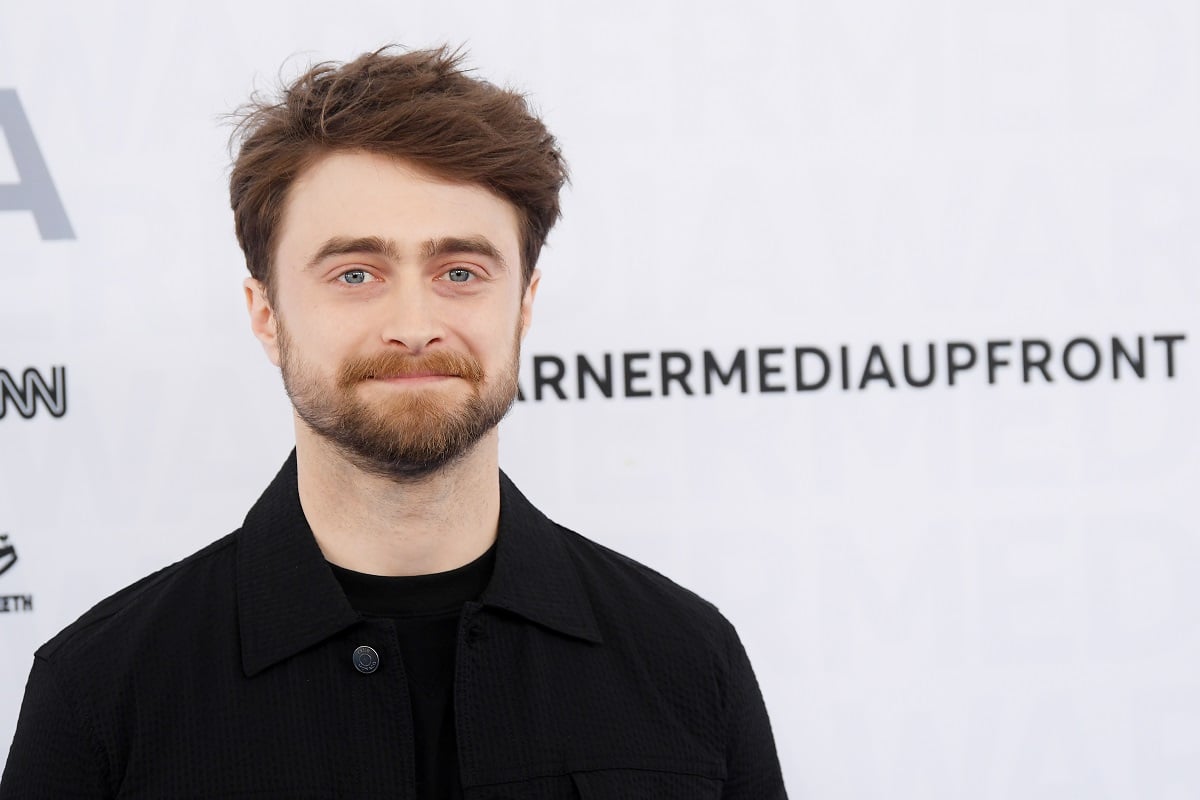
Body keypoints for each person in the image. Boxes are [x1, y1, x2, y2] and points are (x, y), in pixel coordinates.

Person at [0, 46, 786, 799]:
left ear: (525, 307)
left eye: (460, 272)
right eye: (355, 273)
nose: (415, 324)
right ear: (266, 315)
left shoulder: (687, 661)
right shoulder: (100, 694)